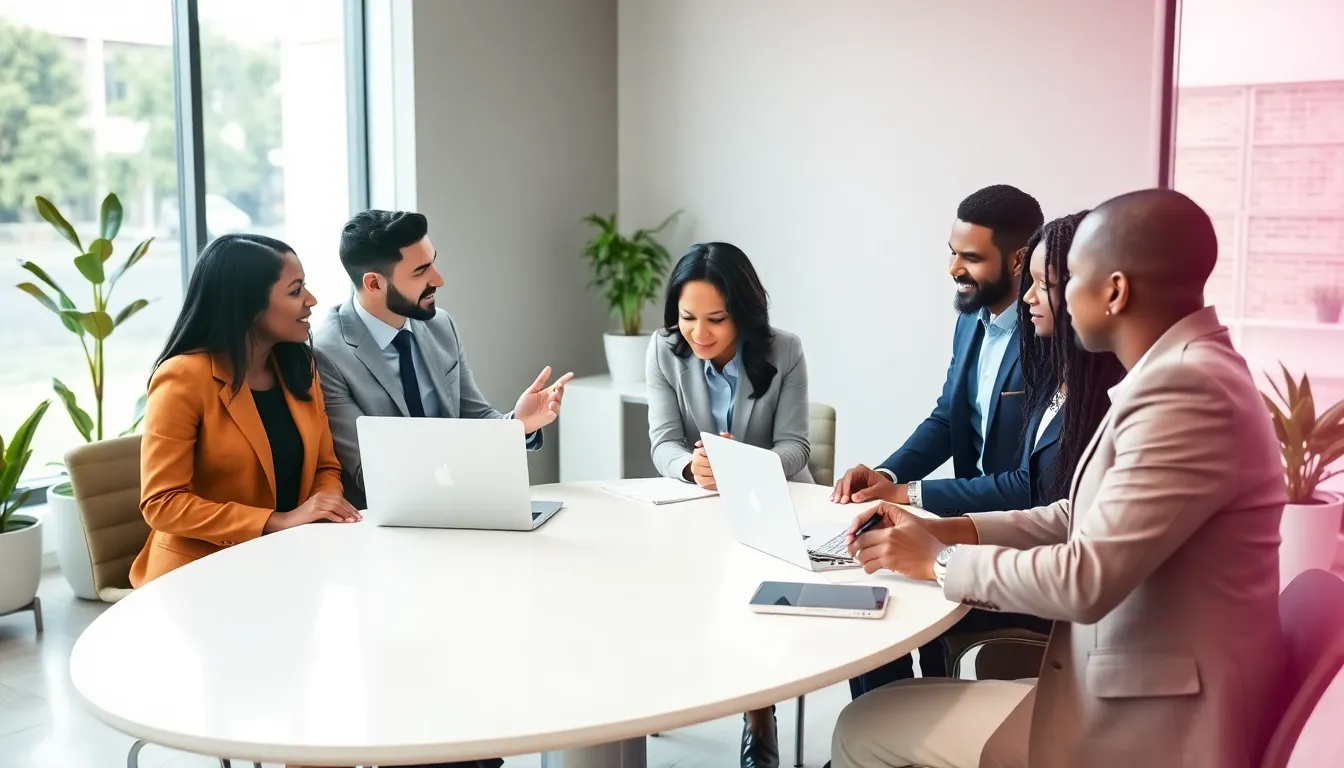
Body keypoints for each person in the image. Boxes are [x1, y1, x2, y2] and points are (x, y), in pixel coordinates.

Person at [831, 189, 1287, 768]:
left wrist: (938, 562)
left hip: (1155, 719)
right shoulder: (1179, 373)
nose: (1037, 299)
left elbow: (1085, 578)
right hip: (1132, 680)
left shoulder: (1186, 393)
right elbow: (1076, 515)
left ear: (1114, 291)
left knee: (862, 724)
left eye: (1059, 282)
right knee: (893, 704)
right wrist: (946, 531)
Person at [831, 185, 1046, 696]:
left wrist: (908, 494)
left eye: (971, 257)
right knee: (863, 585)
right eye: (952, 252)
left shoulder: (1050, 337)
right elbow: (950, 420)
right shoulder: (972, 320)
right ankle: (891, 720)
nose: (953, 269)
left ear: (1019, 259)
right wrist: (887, 474)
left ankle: (901, 720)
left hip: (1016, 544)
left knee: (882, 591)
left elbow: (1032, 484)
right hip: (962, 524)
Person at [645, 242, 810, 768]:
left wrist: (743, 466)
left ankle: (758, 715)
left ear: (743, 311)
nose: (699, 333)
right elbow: (663, 443)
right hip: (701, 501)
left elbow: (796, 446)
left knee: (749, 581)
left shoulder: (785, 350)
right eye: (687, 317)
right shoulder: (663, 350)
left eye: (716, 319)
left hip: (774, 501)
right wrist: (690, 467)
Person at [132, 234, 359, 588]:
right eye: (295, 291)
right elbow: (162, 503)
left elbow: (325, 465)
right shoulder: (183, 377)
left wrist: (322, 506)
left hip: (291, 563)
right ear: (249, 306)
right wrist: (276, 521)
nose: (311, 300)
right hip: (199, 575)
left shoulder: (301, 368)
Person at [313, 210, 573, 511]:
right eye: (420, 271)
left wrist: (519, 423)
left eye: (433, 262)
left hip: (460, 499)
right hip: (388, 517)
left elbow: (474, 418)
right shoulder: (328, 353)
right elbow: (368, 471)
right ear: (374, 284)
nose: (439, 279)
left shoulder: (440, 325)